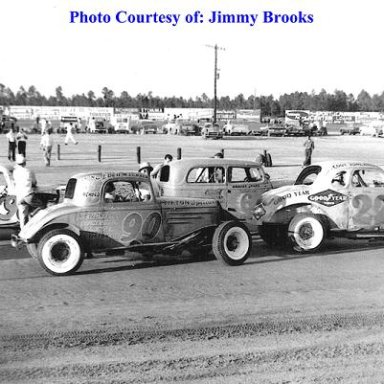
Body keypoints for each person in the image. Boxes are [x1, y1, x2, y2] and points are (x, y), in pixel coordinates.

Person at [13, 154, 38, 228]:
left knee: (22, 216)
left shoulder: (15, 172)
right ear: (25, 163)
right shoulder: (29, 171)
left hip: (19, 197)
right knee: (43, 207)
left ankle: (23, 232)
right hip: (28, 195)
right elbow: (34, 182)